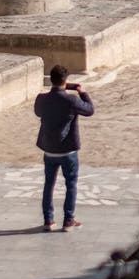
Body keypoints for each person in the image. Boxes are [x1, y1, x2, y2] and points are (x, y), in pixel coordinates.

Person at [35, 66, 94, 232]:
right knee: (71, 184)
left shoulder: (42, 99)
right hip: (68, 151)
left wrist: (49, 91)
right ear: (65, 80)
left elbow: (38, 111)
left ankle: (48, 220)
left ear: (51, 80)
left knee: (49, 184)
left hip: (49, 149)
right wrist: (82, 92)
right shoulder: (72, 101)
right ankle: (68, 220)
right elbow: (90, 110)